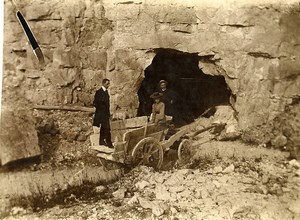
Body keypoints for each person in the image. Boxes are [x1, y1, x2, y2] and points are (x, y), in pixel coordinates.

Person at [92, 78, 113, 148]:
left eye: (109, 84)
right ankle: (109, 143)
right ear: (103, 84)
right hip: (101, 114)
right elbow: (95, 103)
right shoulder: (99, 92)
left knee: (104, 128)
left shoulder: (106, 92)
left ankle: (102, 141)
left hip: (105, 114)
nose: (108, 85)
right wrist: (100, 110)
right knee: (107, 128)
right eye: (107, 84)